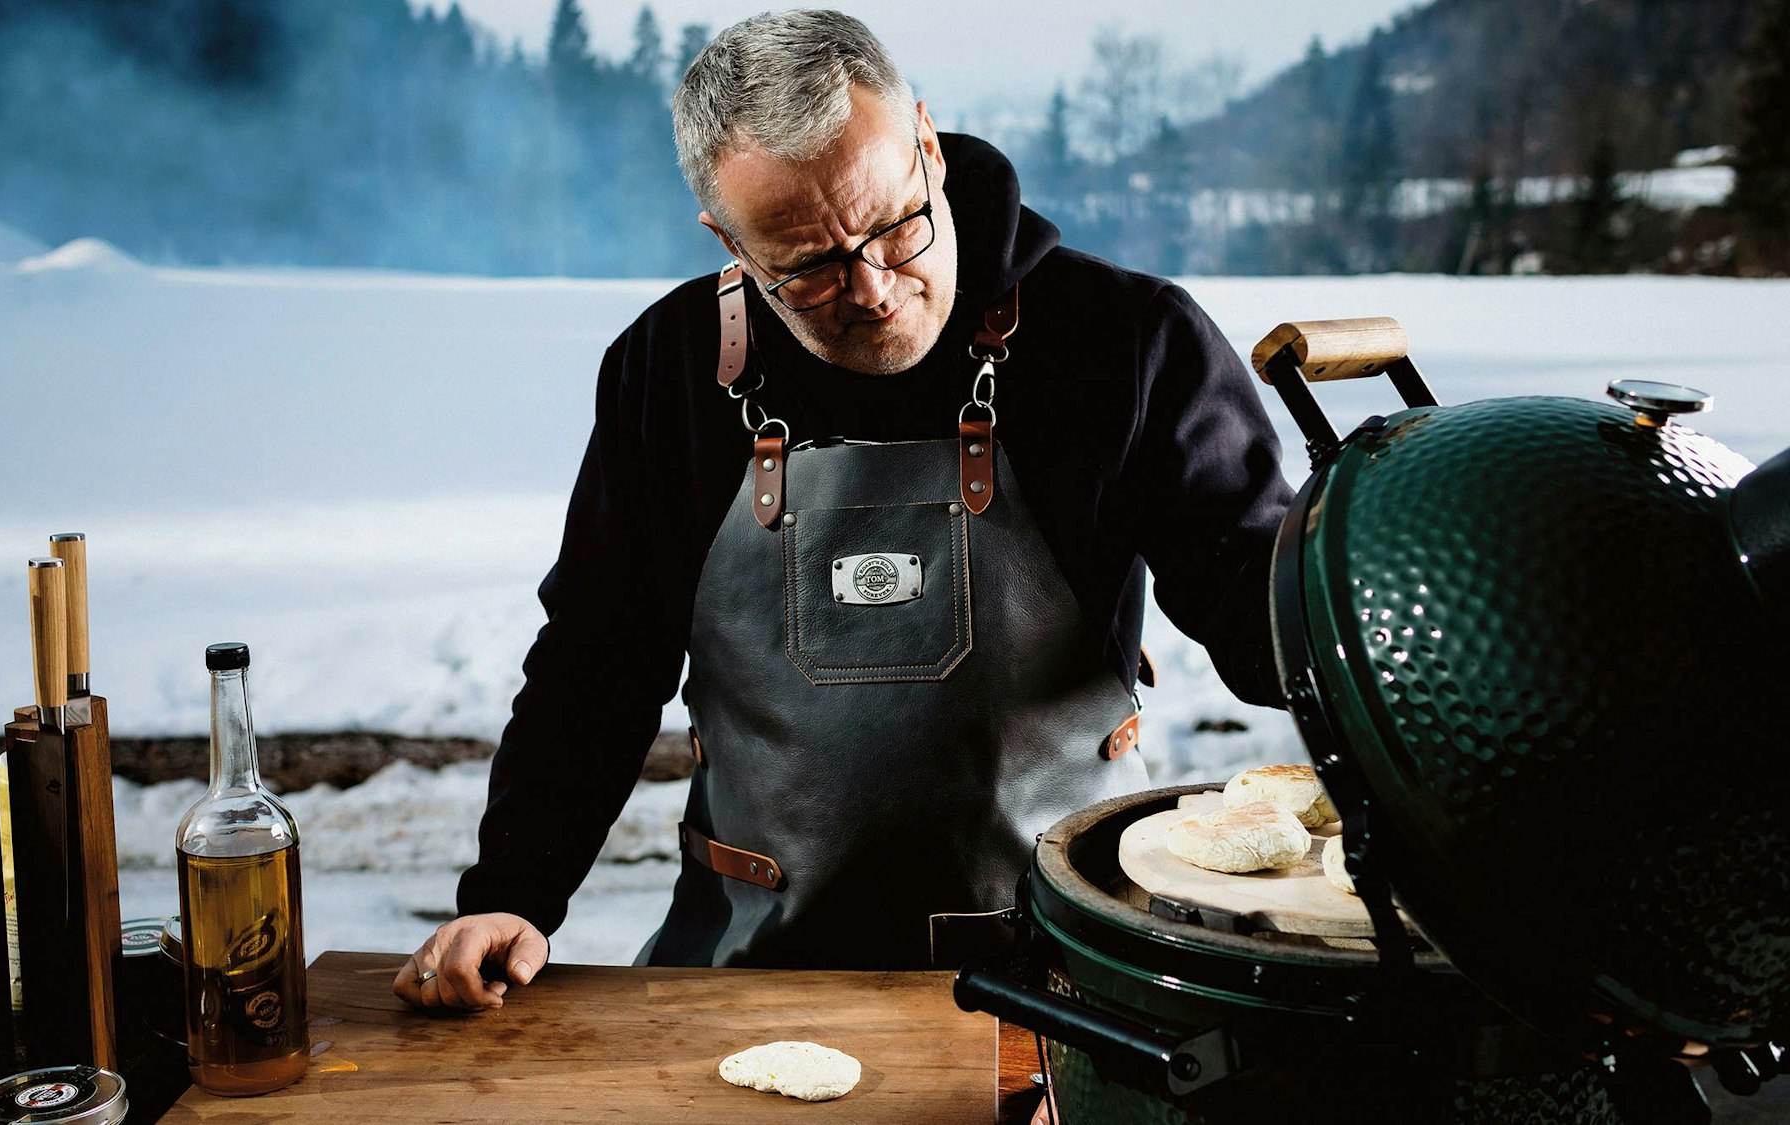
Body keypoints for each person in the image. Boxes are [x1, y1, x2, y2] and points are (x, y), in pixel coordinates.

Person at [396, 9, 1292, 1012]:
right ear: (727, 240)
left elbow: (1259, 599)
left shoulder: (1126, 343)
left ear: (925, 139)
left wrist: (1385, 644)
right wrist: (513, 895)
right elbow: (597, 663)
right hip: (745, 973)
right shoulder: (669, 368)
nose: (869, 289)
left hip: (1072, 982)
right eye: (807, 266)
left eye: (893, 225)